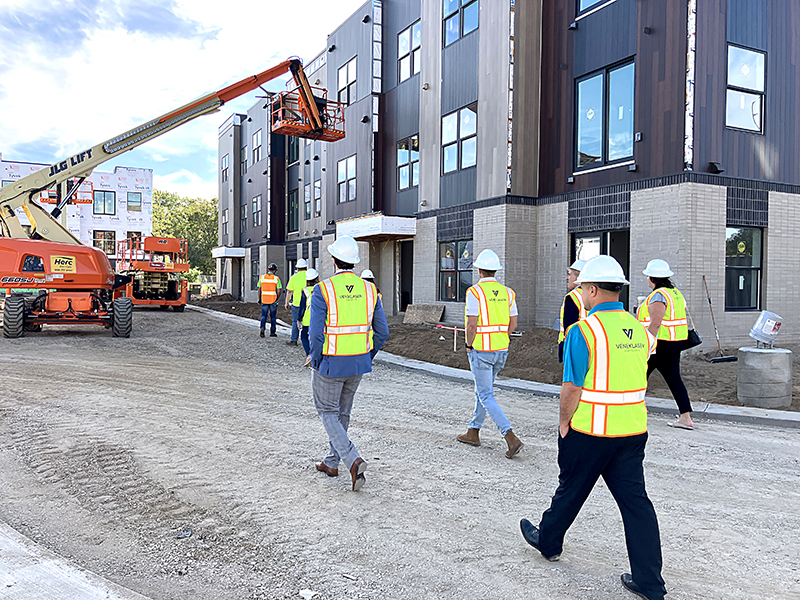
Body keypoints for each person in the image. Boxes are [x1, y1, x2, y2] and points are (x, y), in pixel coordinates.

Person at [519, 255, 666, 600]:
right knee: (636, 505)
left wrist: (563, 421)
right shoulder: (641, 332)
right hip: (631, 432)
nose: (580, 292)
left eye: (583, 287)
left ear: (594, 289)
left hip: (590, 432)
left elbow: (572, 387)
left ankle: (549, 541)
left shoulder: (583, 331)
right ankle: (650, 582)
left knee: (571, 489)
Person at [310, 235, 389, 491]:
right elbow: (382, 332)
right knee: (342, 413)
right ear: (354, 262)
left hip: (331, 362)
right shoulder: (370, 290)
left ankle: (351, 460)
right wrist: (368, 353)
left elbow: (316, 332)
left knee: (327, 412)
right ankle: (332, 462)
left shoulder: (324, 289)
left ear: (334, 259)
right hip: (357, 364)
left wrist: (315, 357)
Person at [456, 249, 523, 459]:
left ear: (479, 270)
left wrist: (468, 345)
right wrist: (503, 338)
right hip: (501, 350)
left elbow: (471, 324)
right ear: (496, 270)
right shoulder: (508, 292)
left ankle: (510, 437)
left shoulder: (475, 292)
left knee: (485, 394)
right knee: (483, 391)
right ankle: (473, 431)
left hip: (481, 350)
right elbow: (513, 323)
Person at [637, 259, 693, 430]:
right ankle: (685, 417)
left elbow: (655, 324)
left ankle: (635, 411)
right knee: (673, 378)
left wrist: (648, 345)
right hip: (675, 343)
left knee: (638, 376)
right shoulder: (675, 293)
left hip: (660, 344)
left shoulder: (658, 296)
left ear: (652, 278)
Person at [558, 259, 587, 363]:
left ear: (578, 277)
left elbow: (569, 328)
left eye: (569, 275)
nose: (567, 278)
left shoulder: (572, 297)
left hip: (574, 347)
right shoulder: (595, 294)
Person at [298, 268, 319, 367]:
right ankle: (317, 354)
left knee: (304, 336)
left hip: (307, 317)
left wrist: (299, 318)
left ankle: (309, 354)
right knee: (317, 337)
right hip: (319, 318)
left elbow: (302, 306)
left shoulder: (305, 291)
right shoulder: (321, 289)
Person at [284, 258, 308, 346]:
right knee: (309, 322)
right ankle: (308, 339)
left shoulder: (294, 277)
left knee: (295, 321)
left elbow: (289, 291)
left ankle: (294, 340)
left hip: (297, 303)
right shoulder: (309, 276)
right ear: (306, 267)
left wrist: (287, 302)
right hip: (309, 304)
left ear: (297, 268)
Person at [258, 263, 282, 338]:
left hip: (264, 299)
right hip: (273, 300)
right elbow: (279, 290)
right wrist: (277, 298)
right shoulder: (276, 279)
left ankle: (262, 328)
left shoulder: (262, 278)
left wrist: (259, 298)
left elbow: (259, 289)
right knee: (273, 317)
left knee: (264, 315)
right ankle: (272, 332)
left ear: (268, 270)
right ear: (274, 271)